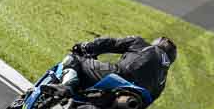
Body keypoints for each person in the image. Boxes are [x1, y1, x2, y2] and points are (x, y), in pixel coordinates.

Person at [48, 36, 177, 101]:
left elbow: (111, 43)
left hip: (118, 75)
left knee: (75, 59)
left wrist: (86, 46)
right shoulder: (163, 77)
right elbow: (152, 98)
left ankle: (65, 86)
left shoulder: (142, 44)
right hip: (134, 100)